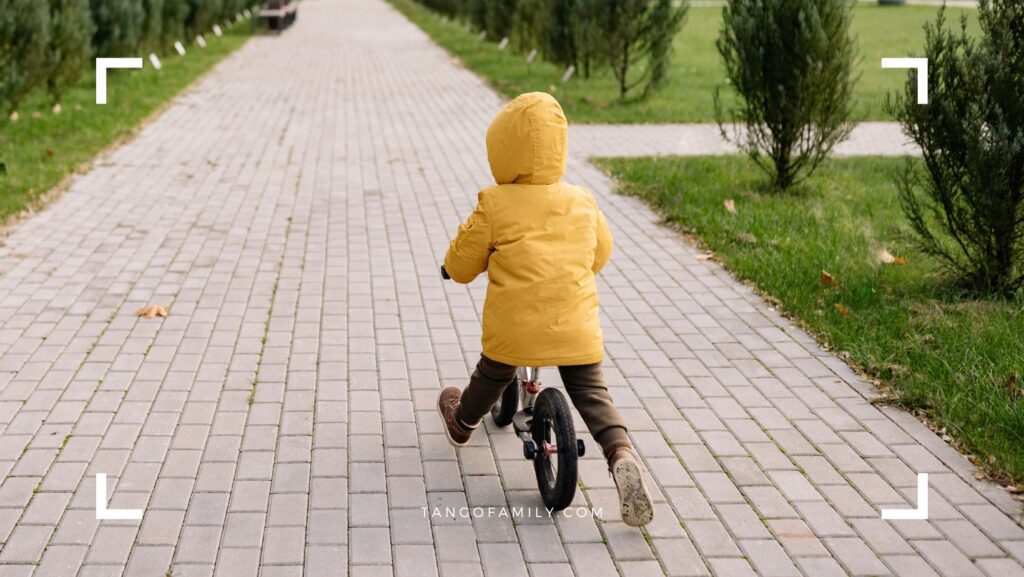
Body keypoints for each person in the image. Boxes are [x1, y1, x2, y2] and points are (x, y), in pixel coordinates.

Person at [435, 92, 654, 527]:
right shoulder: (581, 199)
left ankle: (461, 422)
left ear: (501, 150)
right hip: (576, 329)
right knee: (592, 393)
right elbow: (601, 253)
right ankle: (621, 453)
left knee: (491, 374)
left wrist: (451, 268)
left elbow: (463, 261)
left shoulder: (496, 203)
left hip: (514, 332)